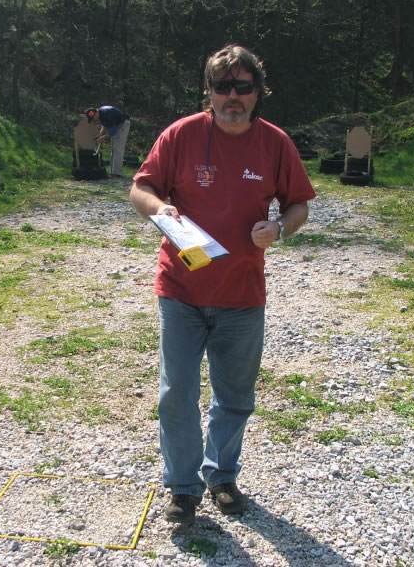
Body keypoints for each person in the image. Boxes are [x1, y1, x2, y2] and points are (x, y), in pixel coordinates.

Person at [129, 44, 316, 525]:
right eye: (222, 86)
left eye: (243, 87)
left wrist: (279, 228)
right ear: (209, 91)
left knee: (234, 397)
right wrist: (160, 208)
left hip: (242, 295)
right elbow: (140, 187)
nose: (232, 96)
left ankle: (222, 476)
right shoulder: (182, 134)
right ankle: (183, 487)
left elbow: (298, 204)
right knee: (176, 393)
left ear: (257, 92)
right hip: (181, 290)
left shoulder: (275, 143)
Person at [85, 106, 131, 177]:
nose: (94, 119)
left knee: (118, 149)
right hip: (117, 124)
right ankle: (113, 172)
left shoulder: (106, 113)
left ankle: (116, 173)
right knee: (114, 148)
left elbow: (113, 130)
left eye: (93, 117)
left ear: (96, 113)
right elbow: (105, 125)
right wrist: (99, 134)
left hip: (123, 124)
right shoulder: (101, 114)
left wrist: (103, 137)